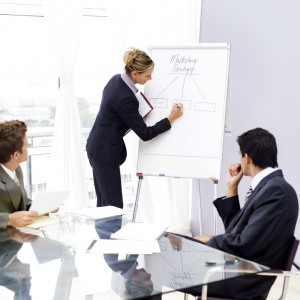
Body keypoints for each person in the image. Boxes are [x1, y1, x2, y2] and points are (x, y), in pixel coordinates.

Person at [191, 128, 299, 299]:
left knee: (159, 275)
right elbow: (236, 233)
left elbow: (246, 243)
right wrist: (231, 188)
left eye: (240, 155)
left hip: (247, 281)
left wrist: (210, 240)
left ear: (247, 158)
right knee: (165, 271)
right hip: (240, 271)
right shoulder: (268, 187)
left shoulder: (276, 191)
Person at [86, 47, 183, 208]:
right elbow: (145, 134)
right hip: (104, 152)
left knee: (104, 204)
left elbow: (114, 116)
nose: (150, 78)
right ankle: (111, 233)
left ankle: (105, 234)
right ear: (135, 74)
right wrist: (171, 117)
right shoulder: (126, 98)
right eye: (147, 75)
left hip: (96, 146)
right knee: (113, 206)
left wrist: (133, 117)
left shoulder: (115, 80)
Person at [0, 120, 38, 229]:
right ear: (16, 155)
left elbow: (20, 201)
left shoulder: (16, 168)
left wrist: (43, 208)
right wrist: (9, 219)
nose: (28, 148)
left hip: (16, 238)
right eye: (26, 146)